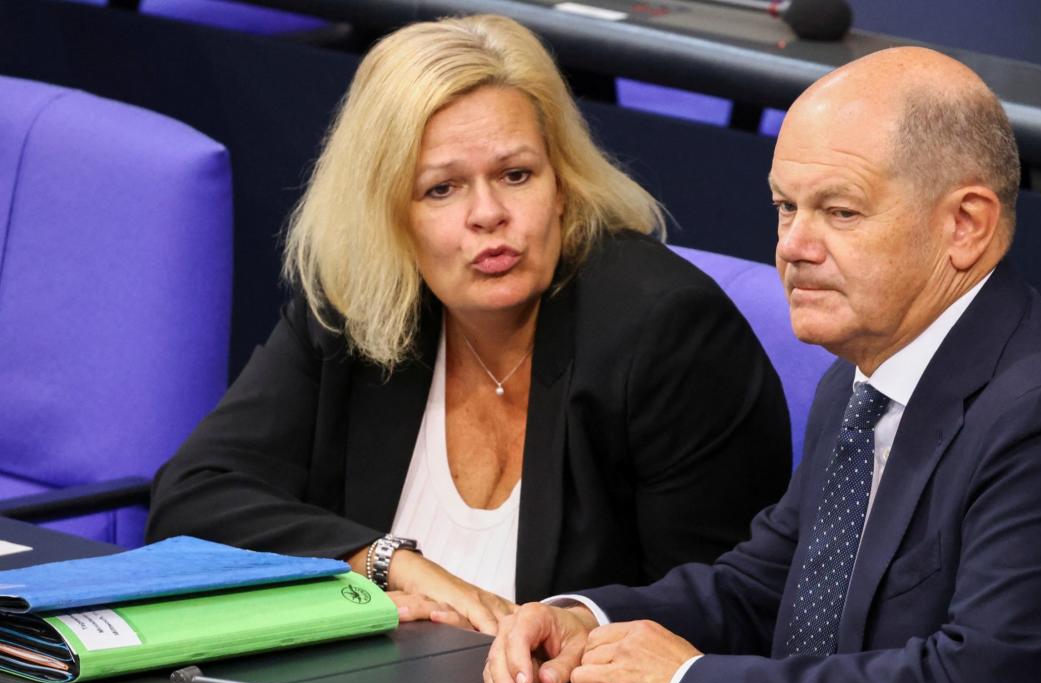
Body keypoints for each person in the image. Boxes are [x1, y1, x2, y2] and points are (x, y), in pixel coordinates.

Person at [483, 47, 1041, 683]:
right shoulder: (859, 376)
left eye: (839, 211)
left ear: (965, 225)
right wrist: (586, 618)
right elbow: (763, 587)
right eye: (784, 207)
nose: (793, 247)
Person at [146, 15, 792, 634]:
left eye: (516, 175)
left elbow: (721, 610)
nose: (489, 214)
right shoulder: (361, 305)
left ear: (561, 182)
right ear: (387, 214)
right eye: (441, 189)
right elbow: (193, 498)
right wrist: (387, 561)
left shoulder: (665, 332)